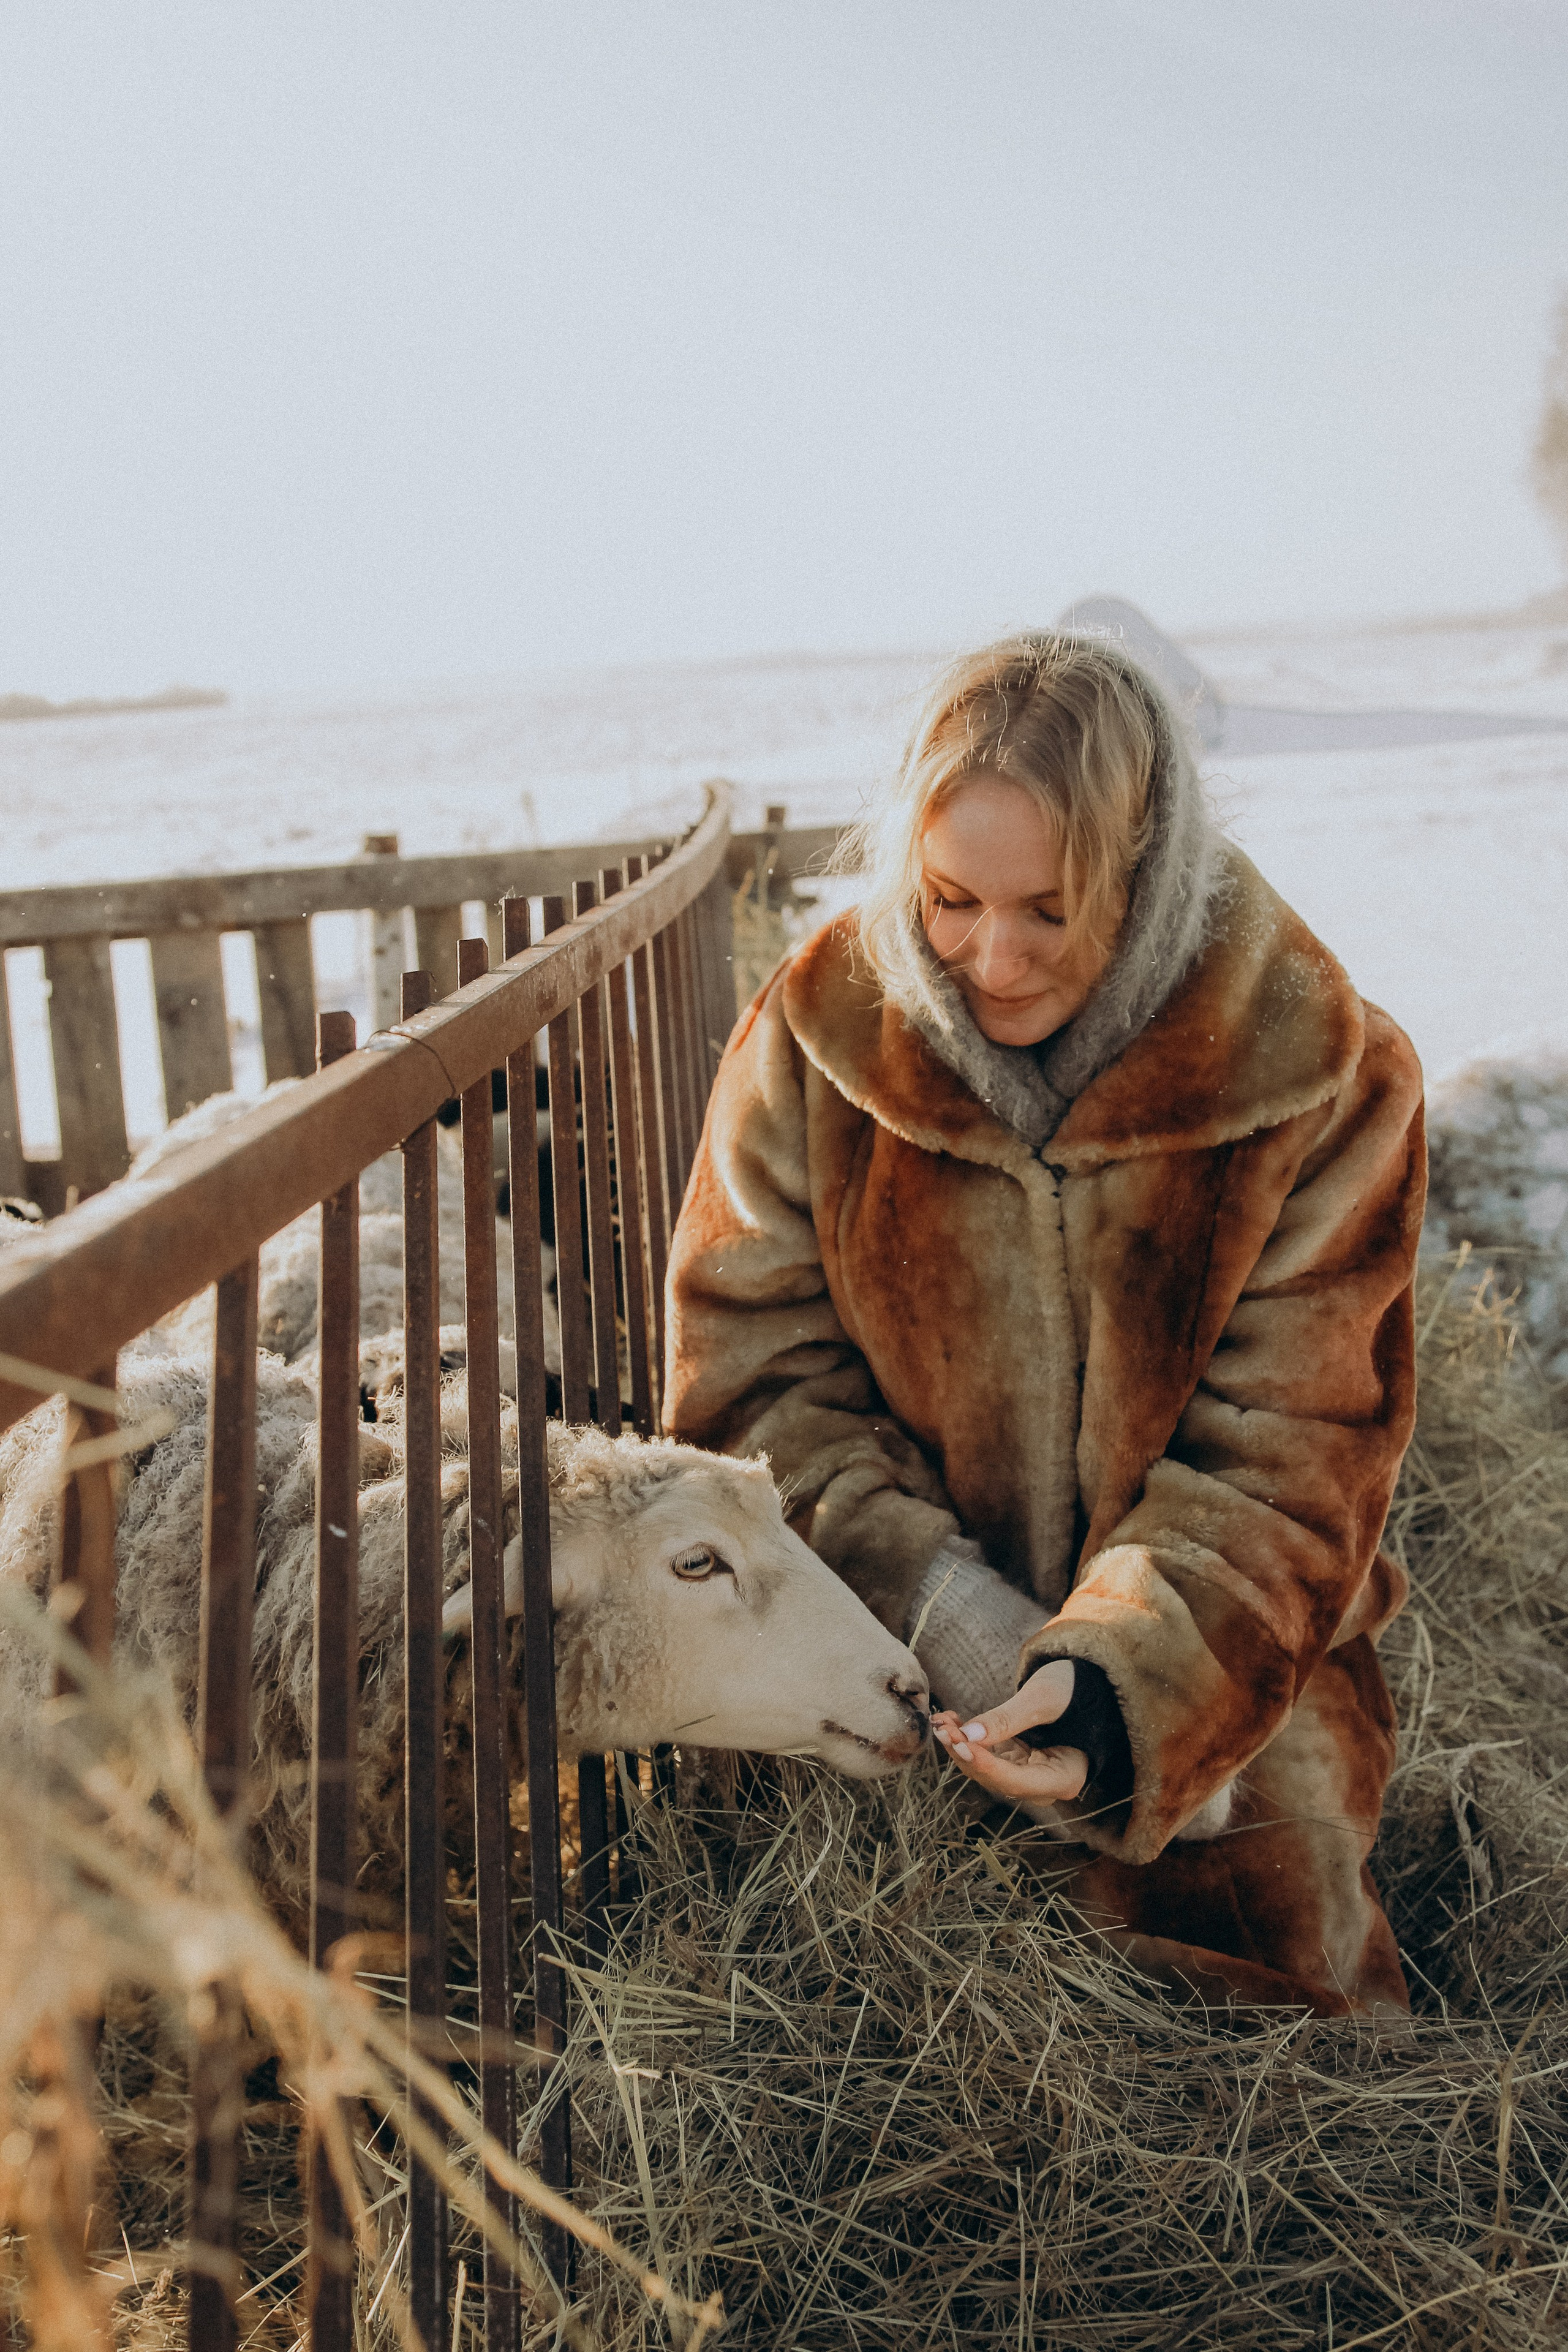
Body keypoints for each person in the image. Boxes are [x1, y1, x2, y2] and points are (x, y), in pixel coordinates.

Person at [663, 633, 1423, 2016]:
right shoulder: (814, 1042)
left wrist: (1120, 1697)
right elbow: (750, 1375)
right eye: (948, 900)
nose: (992, 960)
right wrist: (950, 1617)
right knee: (889, 2016)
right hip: (886, 1657)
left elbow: (1294, 1450)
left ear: (1147, 874)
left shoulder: (1319, 1072)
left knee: (1285, 2007)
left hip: (1222, 1668)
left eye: (1050, 912)